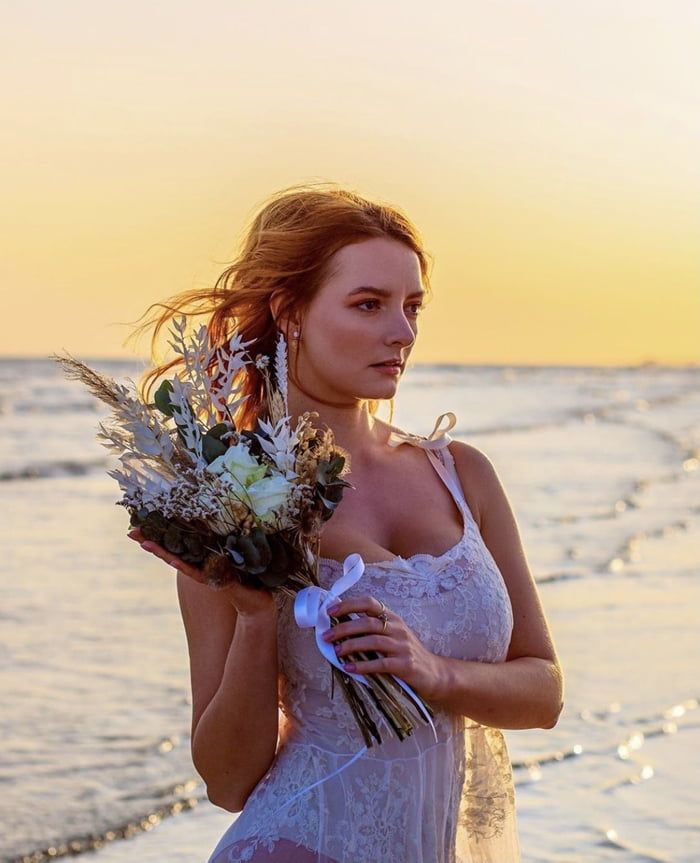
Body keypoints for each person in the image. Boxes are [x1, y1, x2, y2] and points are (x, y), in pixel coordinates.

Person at [127, 183, 564, 862]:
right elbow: (227, 779)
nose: (404, 331)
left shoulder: (462, 473)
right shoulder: (234, 498)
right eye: (369, 304)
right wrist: (252, 618)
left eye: (412, 306)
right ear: (290, 312)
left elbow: (543, 691)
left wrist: (434, 671)